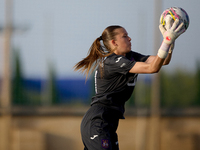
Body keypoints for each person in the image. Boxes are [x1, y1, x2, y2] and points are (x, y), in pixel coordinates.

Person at [74, 18, 185, 150]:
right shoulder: (112, 62)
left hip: (109, 123)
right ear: (114, 42)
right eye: (125, 36)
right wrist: (166, 42)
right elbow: (152, 68)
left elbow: (163, 61)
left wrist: (170, 42)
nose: (130, 38)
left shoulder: (130, 56)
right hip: (98, 121)